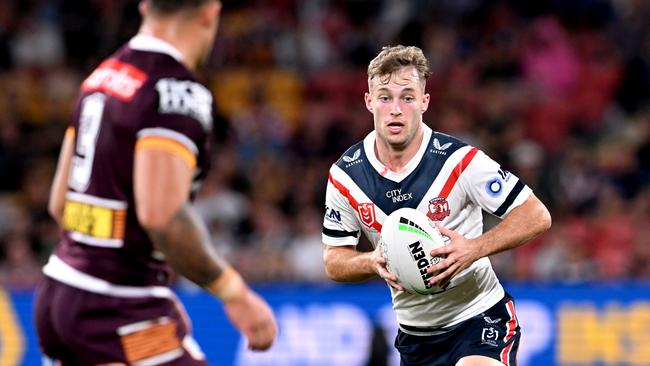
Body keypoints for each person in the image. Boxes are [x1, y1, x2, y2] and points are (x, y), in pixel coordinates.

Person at [34, 0, 277, 364]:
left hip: (58, 294)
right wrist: (233, 292)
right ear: (210, 10)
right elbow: (162, 215)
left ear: (145, 5)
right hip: (118, 315)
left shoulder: (101, 76)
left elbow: (60, 203)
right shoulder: (176, 91)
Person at [322, 45, 552, 366]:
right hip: (416, 338)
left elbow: (536, 214)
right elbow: (334, 259)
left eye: (407, 96)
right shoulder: (346, 176)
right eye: (385, 97)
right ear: (369, 101)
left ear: (424, 102)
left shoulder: (459, 161)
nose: (396, 109)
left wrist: (475, 247)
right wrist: (371, 261)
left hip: (480, 316)